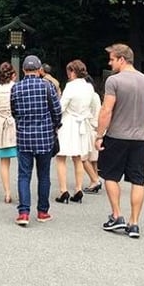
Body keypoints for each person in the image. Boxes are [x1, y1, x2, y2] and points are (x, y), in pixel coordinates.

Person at [95, 44, 144, 239]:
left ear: (122, 59)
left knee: (110, 176)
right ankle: (134, 223)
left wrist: (99, 134)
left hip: (117, 136)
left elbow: (106, 110)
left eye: (112, 59)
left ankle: (117, 215)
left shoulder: (114, 81)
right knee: (138, 180)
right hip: (139, 139)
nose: (110, 62)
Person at [10, 54, 61, 226]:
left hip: (24, 137)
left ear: (24, 70)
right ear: (39, 70)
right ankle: (42, 211)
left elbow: (14, 112)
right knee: (44, 175)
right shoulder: (47, 87)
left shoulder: (16, 88)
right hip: (45, 138)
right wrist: (55, 125)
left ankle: (23, 213)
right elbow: (57, 110)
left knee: (24, 175)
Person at [54, 59, 98, 205]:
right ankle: (78, 189)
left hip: (68, 123)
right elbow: (92, 106)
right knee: (78, 158)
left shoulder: (70, 86)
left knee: (61, 157)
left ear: (72, 72)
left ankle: (63, 190)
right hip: (82, 125)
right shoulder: (89, 87)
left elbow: (61, 107)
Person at [0, 61, 17, 204]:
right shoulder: (16, 88)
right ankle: (23, 189)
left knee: (4, 162)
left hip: (1, 124)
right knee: (24, 161)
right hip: (16, 124)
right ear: (13, 75)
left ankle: (7, 192)